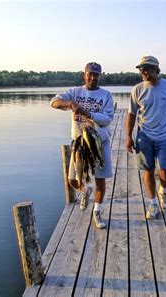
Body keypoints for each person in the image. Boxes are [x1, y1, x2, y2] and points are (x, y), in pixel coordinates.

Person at [50, 62, 114, 229]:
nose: (92, 77)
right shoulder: (74, 92)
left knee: (100, 179)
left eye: (96, 75)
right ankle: (85, 191)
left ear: (100, 76)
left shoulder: (106, 95)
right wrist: (70, 104)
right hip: (79, 144)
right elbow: (54, 102)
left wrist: (88, 113)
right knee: (72, 179)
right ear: (84, 74)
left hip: (99, 142)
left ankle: (97, 211)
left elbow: (107, 119)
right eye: (89, 74)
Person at [126, 56, 166, 219]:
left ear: (156, 70)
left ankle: (164, 191)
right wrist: (128, 136)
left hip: (164, 136)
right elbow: (131, 114)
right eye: (141, 69)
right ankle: (153, 203)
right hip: (144, 136)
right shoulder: (137, 89)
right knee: (148, 170)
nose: (143, 72)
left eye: (147, 68)